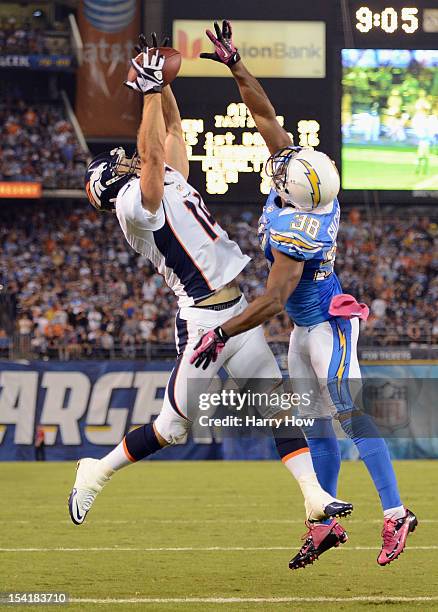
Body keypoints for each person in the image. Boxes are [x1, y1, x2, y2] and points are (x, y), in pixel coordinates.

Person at [68, 33, 353, 532]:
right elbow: (152, 157)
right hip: (202, 320)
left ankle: (314, 498)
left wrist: (161, 83)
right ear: (110, 186)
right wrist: (149, 90)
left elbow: (172, 130)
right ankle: (97, 469)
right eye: (117, 164)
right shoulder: (134, 207)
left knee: (277, 410)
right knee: (170, 429)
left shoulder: (161, 178)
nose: (126, 158)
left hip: (235, 312)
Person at [191, 20, 417, 568]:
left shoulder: (299, 234)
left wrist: (221, 330)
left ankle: (396, 513)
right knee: (314, 426)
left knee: (348, 413)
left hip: (325, 324)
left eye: (284, 167)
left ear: (293, 191)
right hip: (303, 325)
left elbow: (269, 302)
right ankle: (325, 522)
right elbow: (265, 114)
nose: (280, 160)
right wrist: (236, 64)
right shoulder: (307, 188)